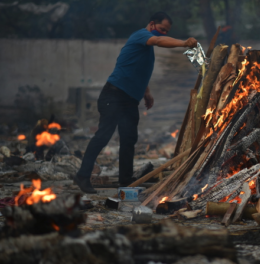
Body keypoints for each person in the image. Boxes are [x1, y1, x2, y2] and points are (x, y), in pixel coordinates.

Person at [74, 12, 198, 194]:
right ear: (152, 24)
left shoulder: (146, 48)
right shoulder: (142, 36)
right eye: (162, 30)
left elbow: (138, 70)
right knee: (103, 136)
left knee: (129, 139)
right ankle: (83, 176)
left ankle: (125, 181)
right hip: (113, 95)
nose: (163, 34)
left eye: (166, 31)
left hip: (129, 100)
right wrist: (183, 43)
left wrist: (146, 92)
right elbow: (159, 41)